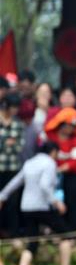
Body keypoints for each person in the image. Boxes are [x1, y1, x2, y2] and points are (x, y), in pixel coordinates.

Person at [0, 142, 73, 265]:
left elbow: (16, 181)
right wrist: (56, 202)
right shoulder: (50, 163)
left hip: (26, 207)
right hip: (42, 207)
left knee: (33, 241)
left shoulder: (29, 163)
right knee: (66, 235)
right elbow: (45, 185)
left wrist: (2, 196)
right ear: (53, 152)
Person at [0, 94, 25, 237]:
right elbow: (10, 144)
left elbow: (19, 147)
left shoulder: (18, 124)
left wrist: (5, 143)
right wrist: (6, 142)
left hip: (13, 168)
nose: (15, 110)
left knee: (13, 203)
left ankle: (13, 233)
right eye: (13, 107)